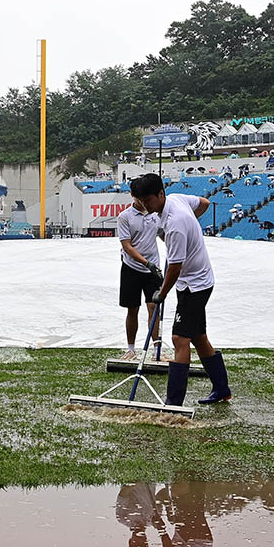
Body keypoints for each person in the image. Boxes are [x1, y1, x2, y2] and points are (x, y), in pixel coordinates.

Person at [129, 173, 230, 406]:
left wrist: (162, 293)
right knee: (198, 336)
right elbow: (203, 204)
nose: (145, 205)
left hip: (195, 284)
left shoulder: (175, 225)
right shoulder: (177, 200)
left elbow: (174, 267)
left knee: (179, 338)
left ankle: (173, 402)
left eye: (149, 200)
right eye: (142, 201)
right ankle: (222, 389)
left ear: (161, 194)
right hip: (194, 281)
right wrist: (191, 225)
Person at [116, 197, 164, 361]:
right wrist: (146, 263)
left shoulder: (155, 215)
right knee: (132, 309)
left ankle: (157, 350)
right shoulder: (125, 217)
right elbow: (127, 246)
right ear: (133, 196)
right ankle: (131, 349)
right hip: (132, 268)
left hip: (152, 269)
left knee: (154, 307)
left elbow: (162, 234)